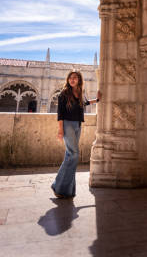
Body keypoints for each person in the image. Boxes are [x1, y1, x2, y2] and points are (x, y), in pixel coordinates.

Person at [51, 70, 101, 199]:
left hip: (77, 124)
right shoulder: (63, 94)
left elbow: (82, 105)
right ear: (68, 80)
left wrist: (96, 100)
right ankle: (58, 185)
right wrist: (60, 130)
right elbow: (60, 113)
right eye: (70, 78)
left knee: (70, 155)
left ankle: (67, 190)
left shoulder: (79, 93)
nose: (72, 80)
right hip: (67, 125)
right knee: (73, 154)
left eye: (75, 78)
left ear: (79, 80)